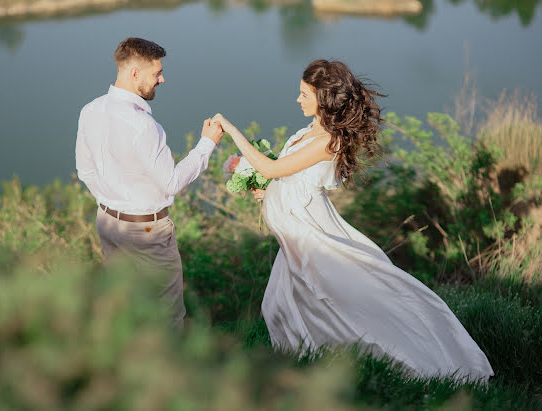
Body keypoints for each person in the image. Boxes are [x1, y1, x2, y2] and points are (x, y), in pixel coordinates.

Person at [211, 59, 494, 382]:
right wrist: (268, 192)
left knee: (339, 296)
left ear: (324, 98)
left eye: (304, 94)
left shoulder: (327, 140)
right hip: (293, 234)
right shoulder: (312, 130)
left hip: (310, 232)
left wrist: (233, 132)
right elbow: (289, 176)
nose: (298, 100)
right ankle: (307, 363)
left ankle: (408, 360)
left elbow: (273, 169)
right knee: (281, 304)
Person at [75, 37, 223, 330]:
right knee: (167, 314)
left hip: (108, 223)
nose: (162, 79)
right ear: (134, 74)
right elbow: (170, 183)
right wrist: (206, 145)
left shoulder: (90, 110)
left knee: (124, 304)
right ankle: (169, 372)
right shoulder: (142, 125)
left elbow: (85, 171)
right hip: (146, 231)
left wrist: (113, 202)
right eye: (156, 73)